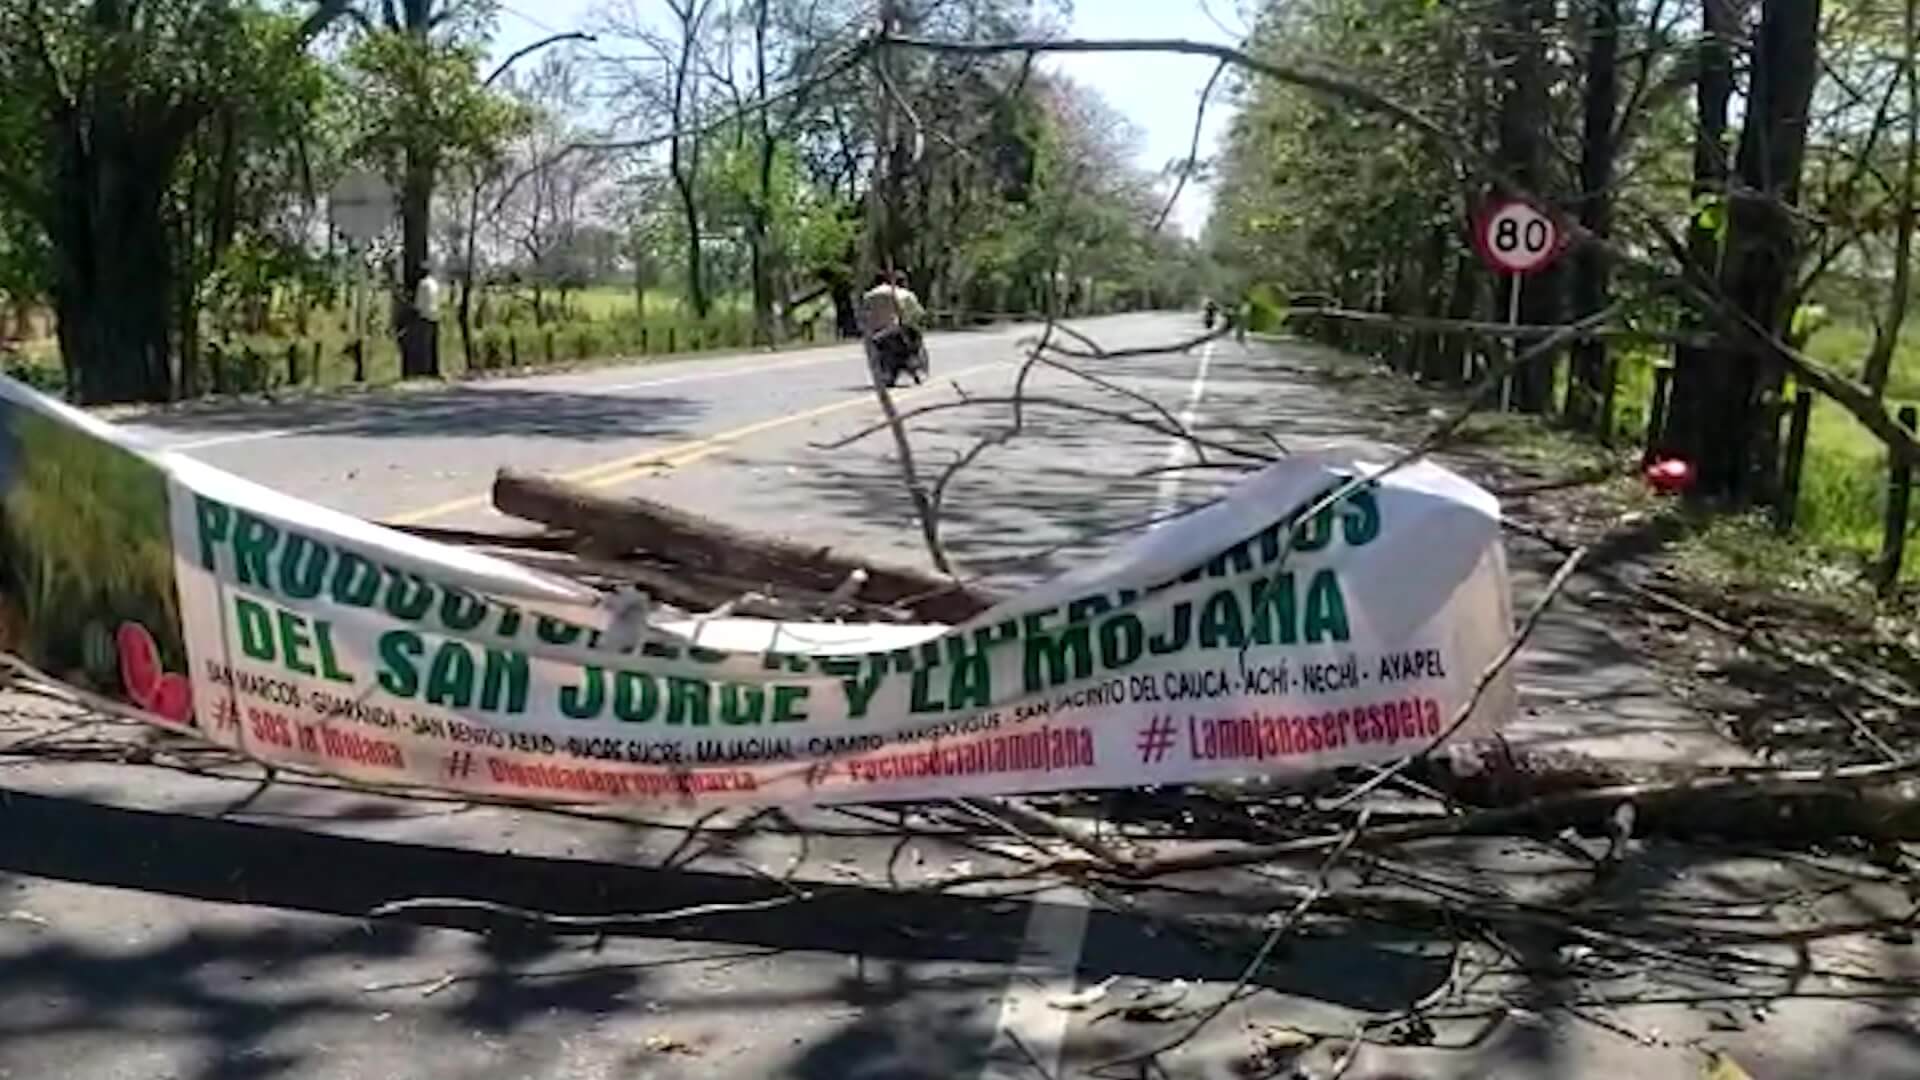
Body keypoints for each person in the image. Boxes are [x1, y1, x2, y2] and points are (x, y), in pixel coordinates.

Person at [859, 270, 927, 385]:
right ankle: (915, 367)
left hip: (875, 331)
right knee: (913, 342)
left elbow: (863, 313)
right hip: (894, 328)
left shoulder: (868, 295)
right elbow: (917, 312)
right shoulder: (900, 293)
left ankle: (886, 371)